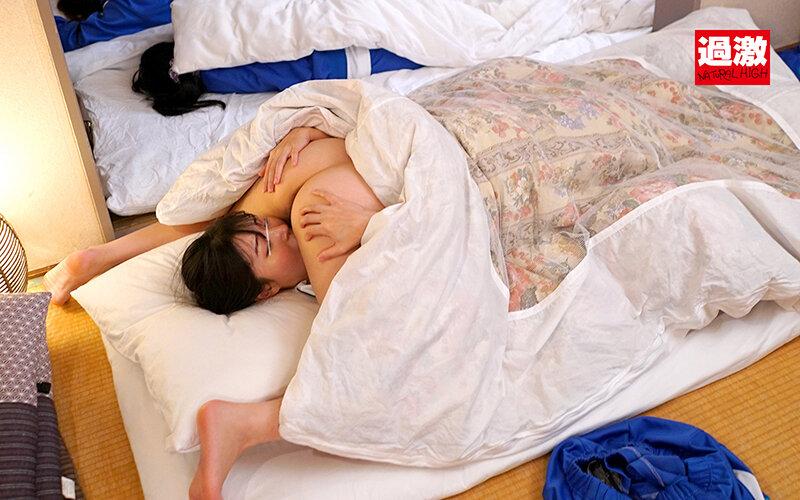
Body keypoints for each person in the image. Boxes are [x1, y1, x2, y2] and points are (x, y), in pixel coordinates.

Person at [45, 127, 384, 499]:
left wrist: (313, 129)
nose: (280, 231)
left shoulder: (298, 218)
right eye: (267, 246)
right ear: (267, 292)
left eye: (265, 230)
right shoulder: (300, 218)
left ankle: (251, 422)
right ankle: (101, 256)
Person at [132, 42, 422, 116]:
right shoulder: (215, 68)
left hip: (330, 61)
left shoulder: (214, 76)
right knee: (421, 47)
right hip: (334, 59)